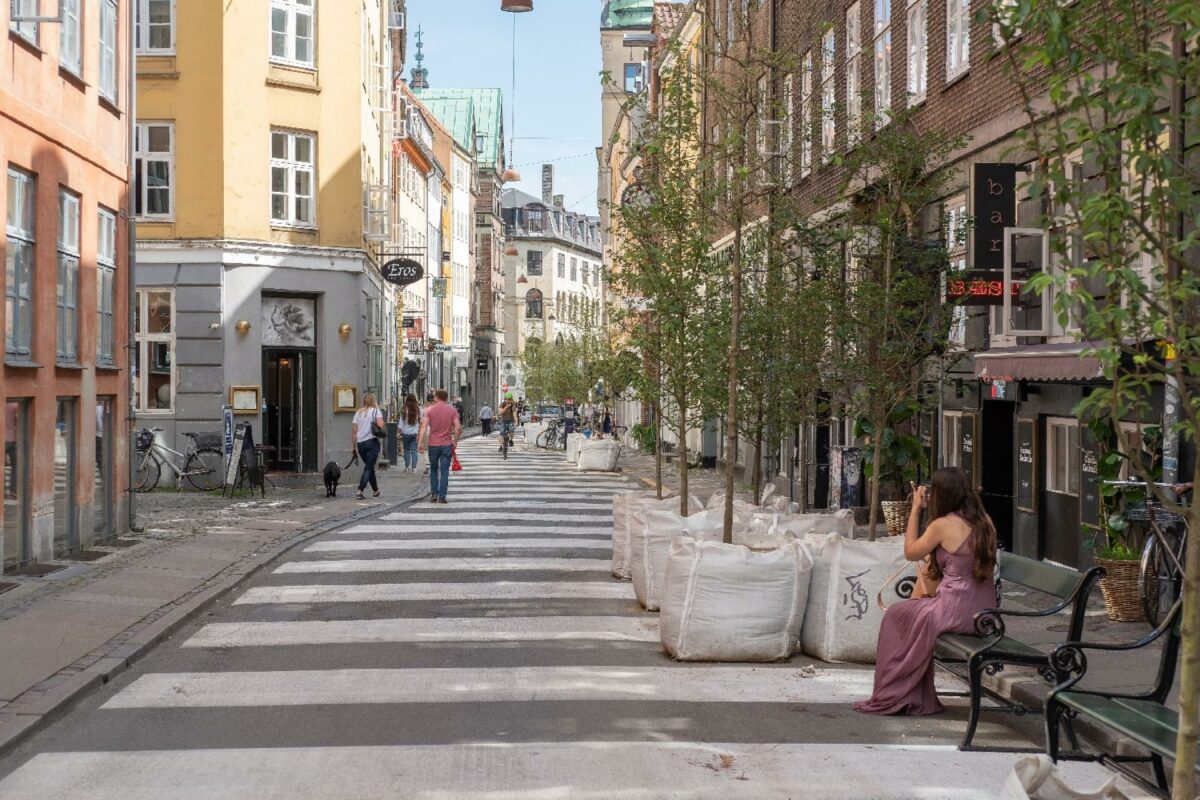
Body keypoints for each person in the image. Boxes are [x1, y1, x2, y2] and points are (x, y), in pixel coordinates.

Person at [854, 467, 998, 716]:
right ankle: (911, 689)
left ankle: (896, 692)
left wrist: (915, 509)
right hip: (984, 612)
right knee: (913, 611)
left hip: (956, 610)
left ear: (942, 494)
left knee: (895, 615)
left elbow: (911, 551)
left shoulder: (943, 524)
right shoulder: (985, 521)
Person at [418, 389, 462, 504]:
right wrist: (455, 441)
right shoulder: (452, 410)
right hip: (447, 444)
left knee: (433, 469)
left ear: (437, 397)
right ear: (446, 398)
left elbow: (423, 427)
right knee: (444, 471)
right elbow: (458, 428)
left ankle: (434, 493)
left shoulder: (429, 410)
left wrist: (420, 442)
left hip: (433, 444)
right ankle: (442, 495)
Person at [351, 392, 385, 500]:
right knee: (368, 468)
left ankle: (375, 490)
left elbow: (354, 431)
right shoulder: (376, 411)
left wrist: (354, 447)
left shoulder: (358, 413)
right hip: (372, 443)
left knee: (369, 467)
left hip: (360, 444)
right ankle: (360, 490)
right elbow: (380, 425)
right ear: (373, 401)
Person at [398, 393, 421, 473]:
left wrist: (398, 432)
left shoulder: (404, 409)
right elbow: (420, 422)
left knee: (406, 450)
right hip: (415, 433)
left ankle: (407, 467)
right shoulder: (418, 409)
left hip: (406, 433)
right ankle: (414, 468)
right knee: (414, 450)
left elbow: (401, 423)